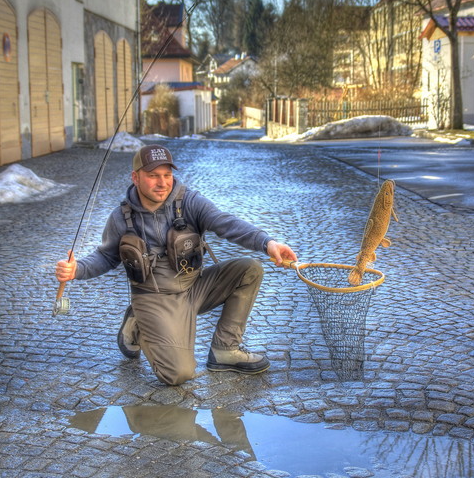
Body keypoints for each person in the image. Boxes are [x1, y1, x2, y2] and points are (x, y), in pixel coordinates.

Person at [55, 144, 297, 386]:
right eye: (153, 176)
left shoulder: (190, 202)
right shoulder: (120, 218)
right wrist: (78, 269)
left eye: (167, 175)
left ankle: (225, 349)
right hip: (154, 299)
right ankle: (140, 322)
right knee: (178, 374)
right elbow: (106, 256)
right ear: (135, 177)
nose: (162, 183)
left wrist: (268, 243)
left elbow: (225, 222)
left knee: (249, 269)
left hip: (195, 288)